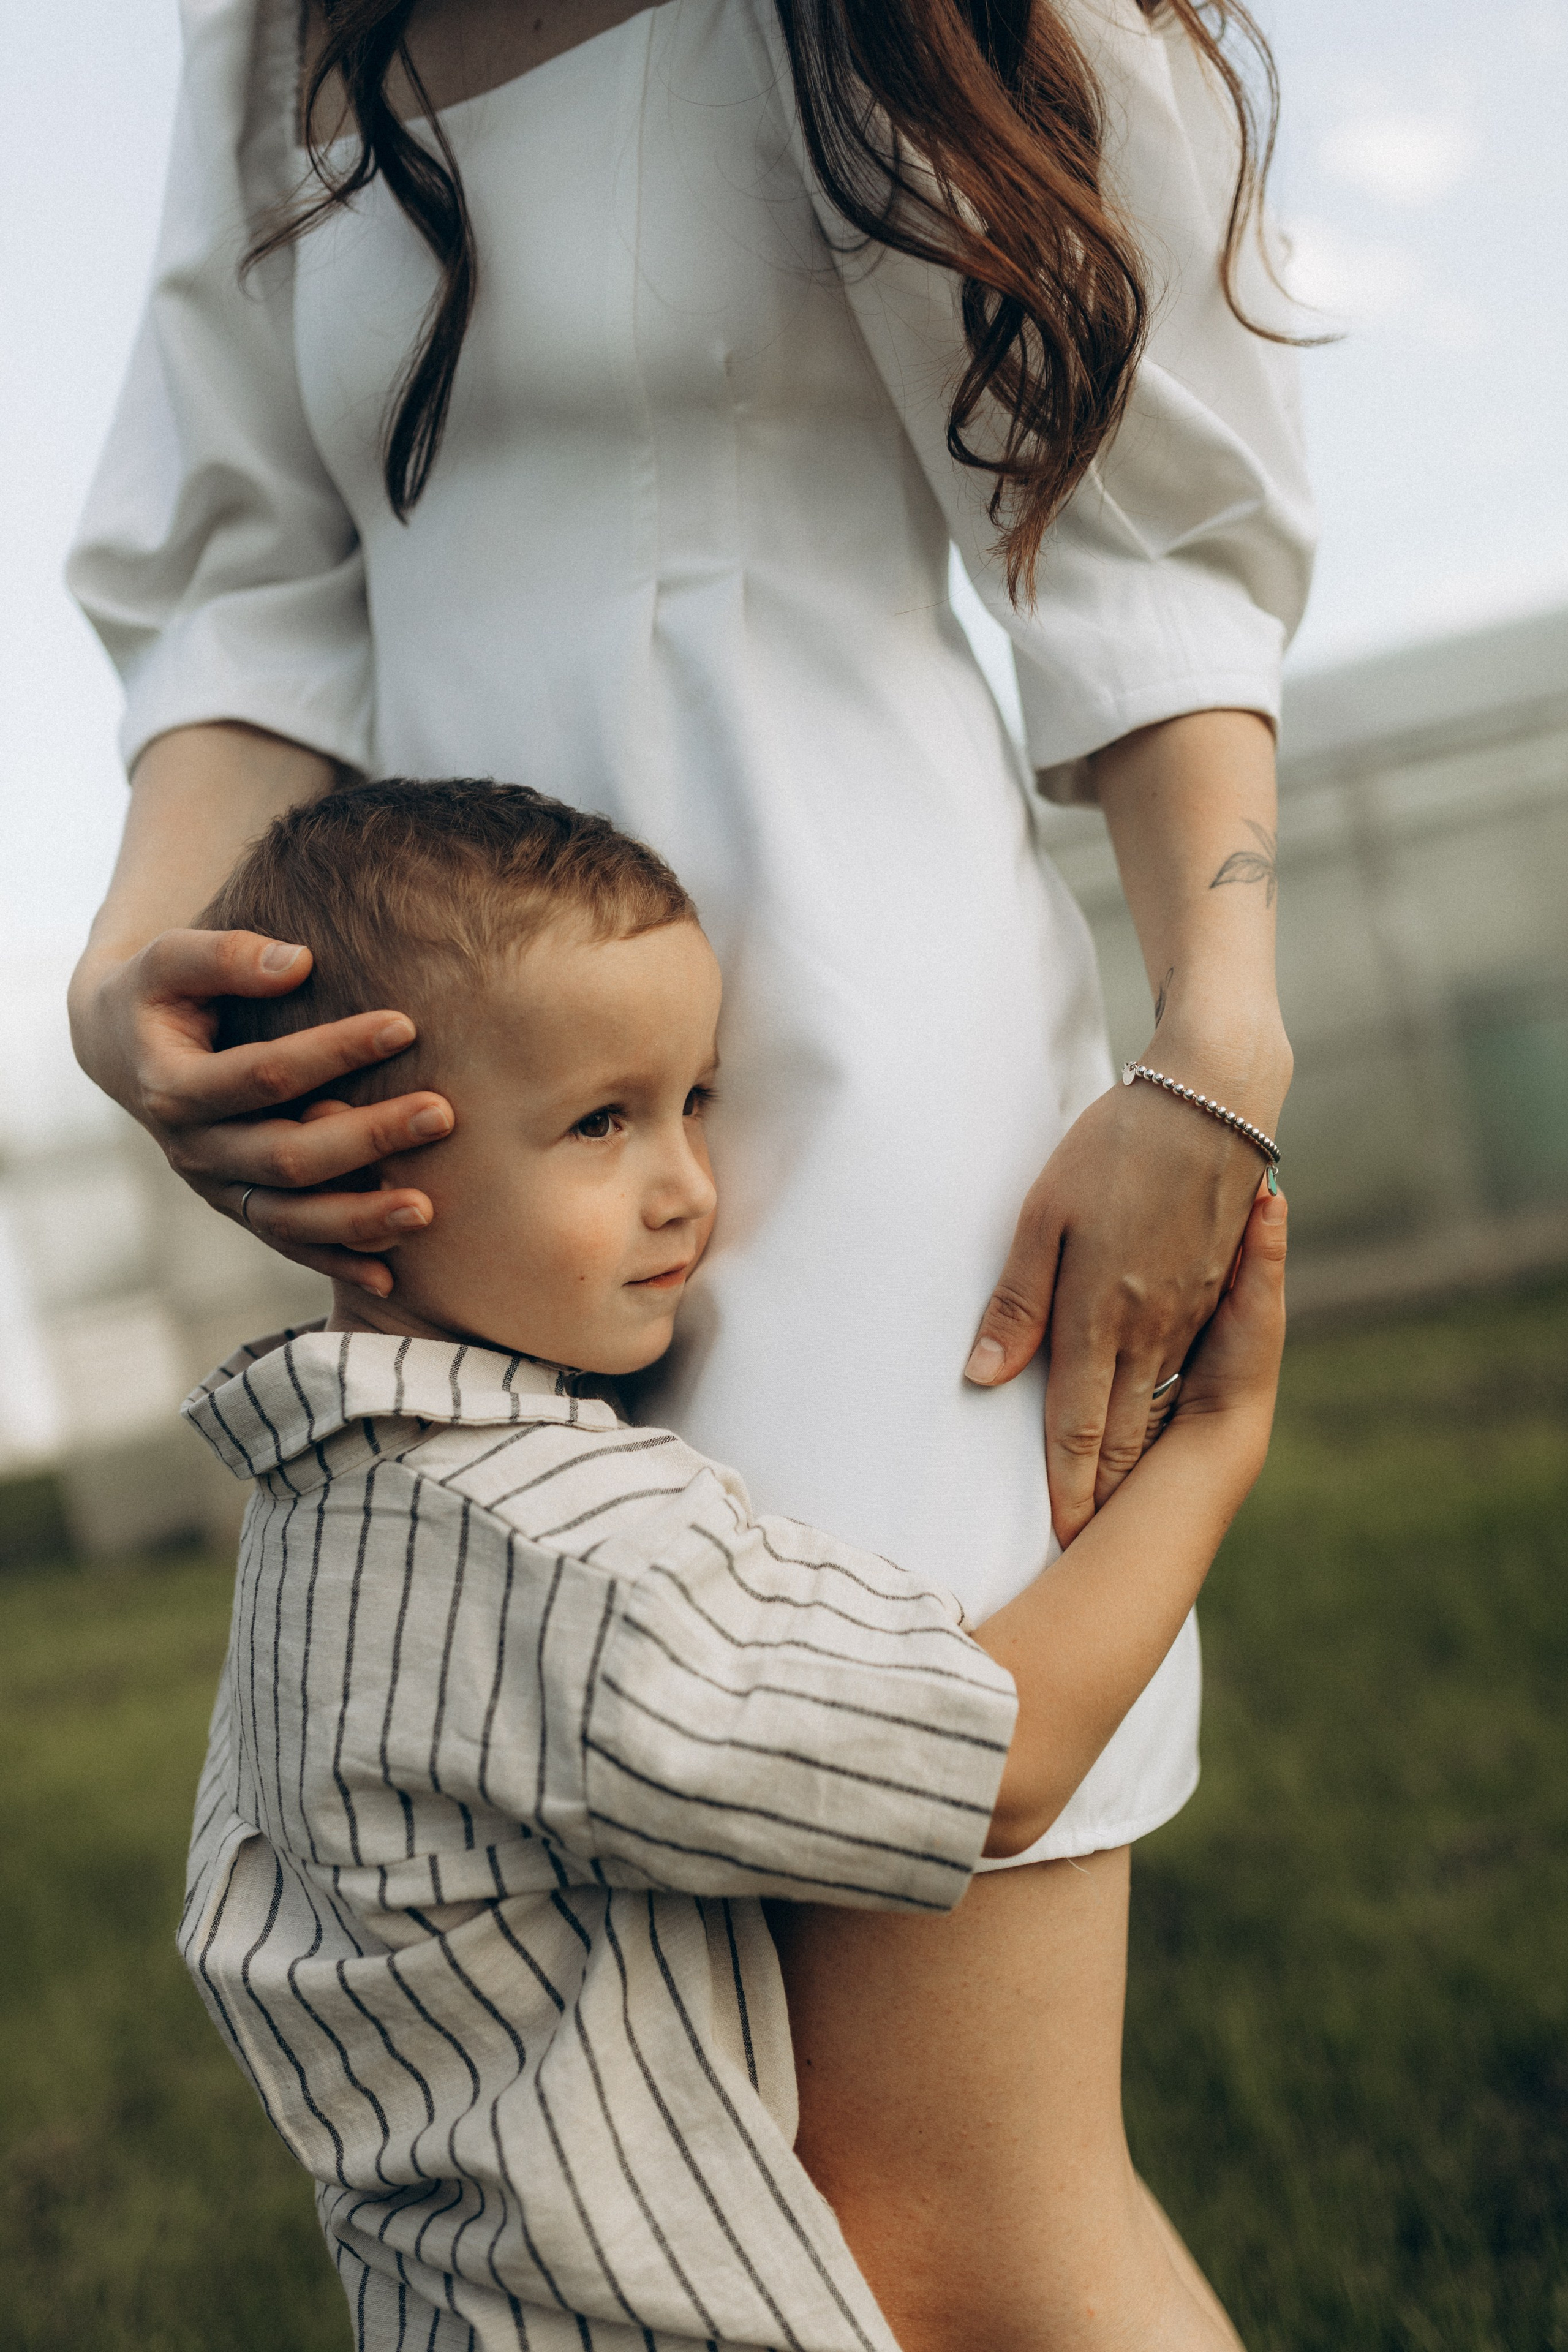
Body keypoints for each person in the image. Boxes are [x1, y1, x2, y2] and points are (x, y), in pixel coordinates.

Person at [66, 0, 1311, 2331]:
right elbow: (244, 580)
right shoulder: (274, 30)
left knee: (947, 2203)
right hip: (468, 1180)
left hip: (881, 1118)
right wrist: (128, 970)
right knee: (677, 2226)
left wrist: (1213, 1039)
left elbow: (1153, 559)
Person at [179, 777, 1287, 2351]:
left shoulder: (316, 1515)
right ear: (345, 1154)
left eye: (694, 1099)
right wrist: (1219, 1436)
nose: (687, 1182)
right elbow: (1002, 1763)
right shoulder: (556, 1554)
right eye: (597, 1122)